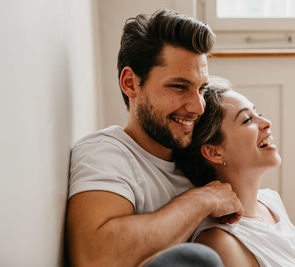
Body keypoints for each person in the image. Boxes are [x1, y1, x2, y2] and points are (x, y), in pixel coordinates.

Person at [66, 10, 244, 267]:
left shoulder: (195, 158)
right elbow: (95, 256)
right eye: (179, 87)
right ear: (130, 83)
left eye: (201, 88)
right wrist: (203, 200)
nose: (198, 106)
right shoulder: (105, 153)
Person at [174, 77, 295, 267]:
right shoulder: (220, 242)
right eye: (247, 119)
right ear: (214, 152)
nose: (266, 123)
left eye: (259, 113)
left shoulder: (270, 202)